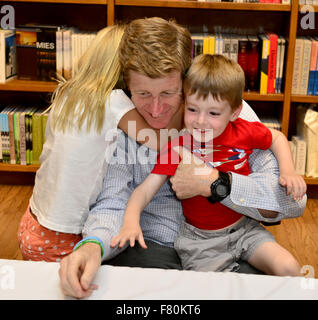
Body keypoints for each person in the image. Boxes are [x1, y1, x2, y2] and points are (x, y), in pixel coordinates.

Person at [58, 17, 307, 299]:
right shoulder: (125, 124)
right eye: (142, 94)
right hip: (151, 246)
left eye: (168, 92)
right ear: (128, 87)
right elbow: (115, 201)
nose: (154, 109)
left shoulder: (225, 111)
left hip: (233, 239)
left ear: (186, 83)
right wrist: (94, 245)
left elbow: (292, 203)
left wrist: (217, 184)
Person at [110, 54, 305, 275]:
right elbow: (144, 191)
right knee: (214, 292)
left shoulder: (244, 130)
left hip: (245, 229)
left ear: (234, 112)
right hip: (201, 243)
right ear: (184, 103)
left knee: (290, 268)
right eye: (193, 110)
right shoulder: (179, 146)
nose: (200, 121)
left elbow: (277, 138)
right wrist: (130, 221)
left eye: (213, 113)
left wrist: (288, 172)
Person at [17, 24, 154, 262]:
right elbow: (156, 141)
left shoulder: (66, 92)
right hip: (63, 236)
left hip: (32, 221)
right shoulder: (115, 101)